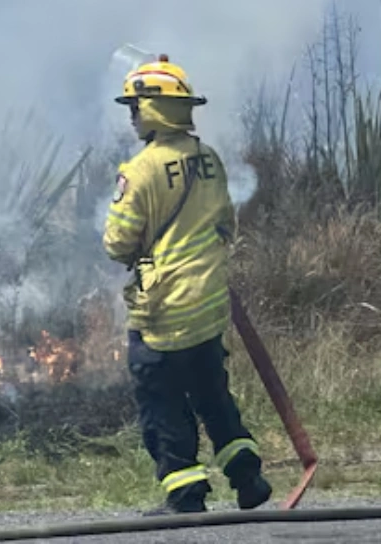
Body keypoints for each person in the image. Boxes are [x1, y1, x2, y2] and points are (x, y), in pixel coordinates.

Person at [102, 54, 272, 515]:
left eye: (135, 107)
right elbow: (225, 224)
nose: (132, 116)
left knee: (163, 402)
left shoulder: (138, 171)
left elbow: (117, 243)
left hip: (162, 315)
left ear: (154, 109)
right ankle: (248, 476)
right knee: (213, 394)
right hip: (209, 305)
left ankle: (185, 494)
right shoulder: (209, 160)